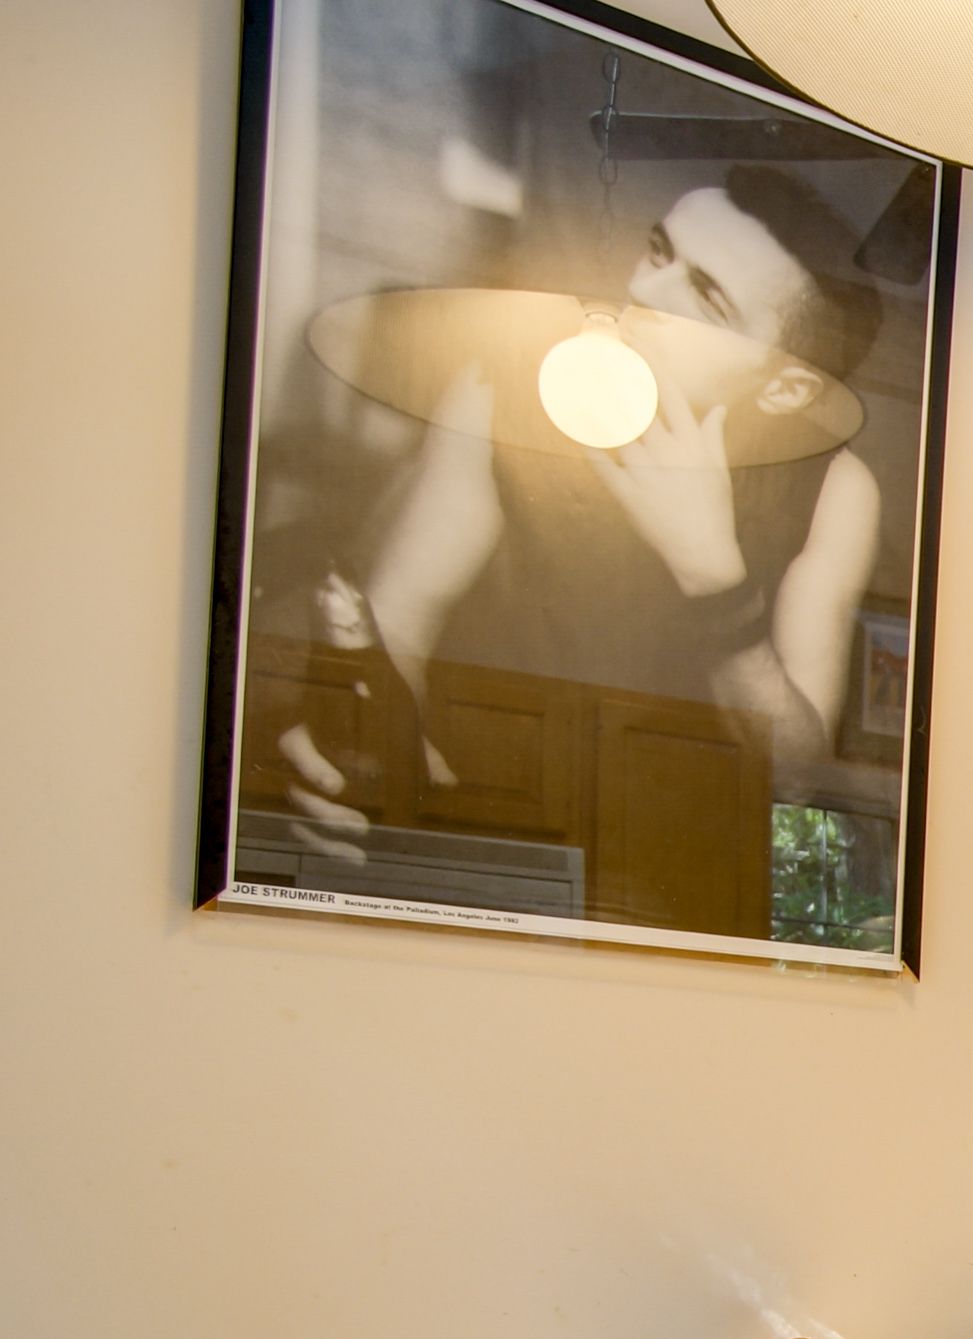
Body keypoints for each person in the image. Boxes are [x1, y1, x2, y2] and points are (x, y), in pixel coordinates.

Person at [274, 166, 884, 855]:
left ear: (783, 390)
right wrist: (365, 753)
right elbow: (399, 621)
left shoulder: (836, 488)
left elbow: (796, 777)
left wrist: (711, 570)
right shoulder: (506, 391)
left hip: (672, 871)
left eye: (706, 298)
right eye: (658, 252)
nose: (641, 292)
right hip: (483, 827)